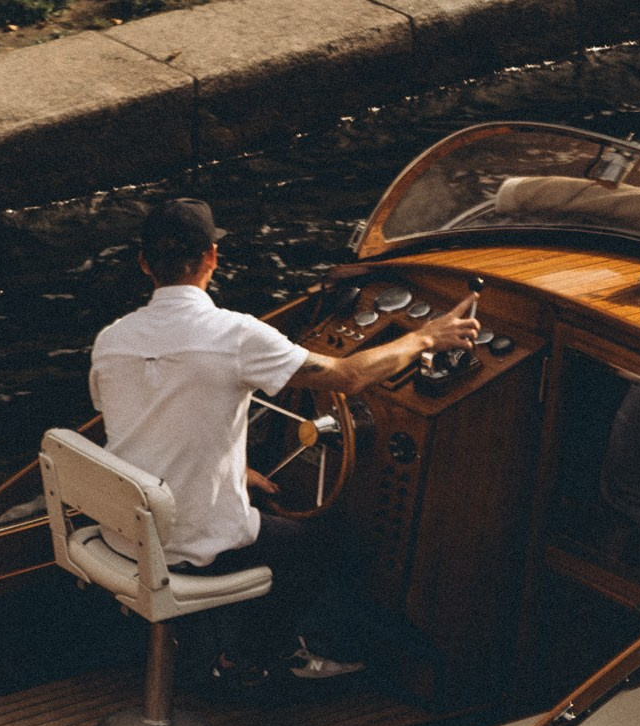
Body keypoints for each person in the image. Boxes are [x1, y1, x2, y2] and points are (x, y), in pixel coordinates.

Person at [90, 196, 482, 691]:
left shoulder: (111, 339)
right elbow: (348, 376)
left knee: (266, 511)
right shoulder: (235, 335)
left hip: (121, 530)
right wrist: (426, 337)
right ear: (212, 256)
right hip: (182, 546)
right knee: (319, 547)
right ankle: (254, 659)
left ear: (145, 263)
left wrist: (234, 473)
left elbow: (140, 427)